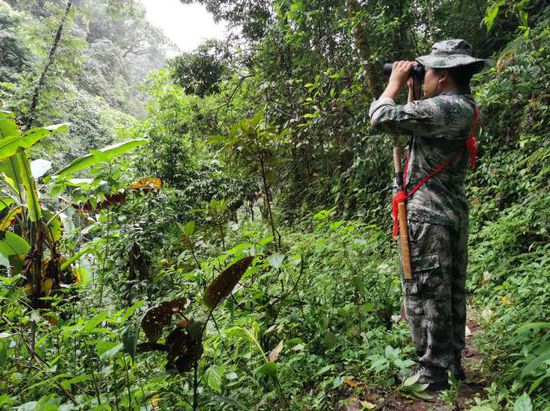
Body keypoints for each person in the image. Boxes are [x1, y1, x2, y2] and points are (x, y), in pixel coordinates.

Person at [369, 39, 486, 390]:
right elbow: (416, 124)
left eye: (429, 70)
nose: (425, 76)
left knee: (425, 292)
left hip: (430, 215)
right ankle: (450, 364)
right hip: (450, 212)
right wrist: (413, 89)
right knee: (449, 290)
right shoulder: (462, 107)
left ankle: (433, 375)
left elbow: (381, 118)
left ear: (445, 75)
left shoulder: (446, 108)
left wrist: (393, 84)